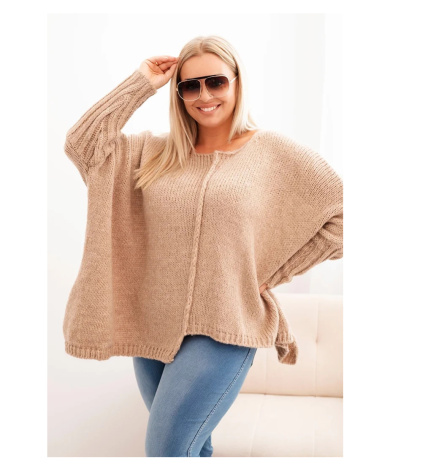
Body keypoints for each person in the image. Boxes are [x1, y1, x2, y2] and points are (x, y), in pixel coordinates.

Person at [62, 35, 343, 457]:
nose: (204, 95)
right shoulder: (150, 153)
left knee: (166, 450)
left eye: (216, 82)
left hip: (224, 326)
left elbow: (343, 213)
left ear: (237, 82)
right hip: (152, 326)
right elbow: (82, 145)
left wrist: (271, 272)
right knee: (192, 450)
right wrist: (140, 83)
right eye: (190, 86)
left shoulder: (273, 153)